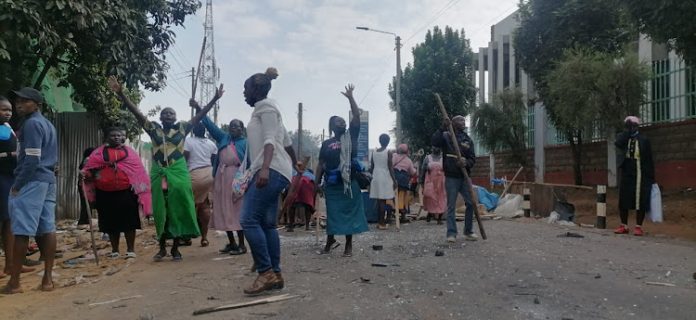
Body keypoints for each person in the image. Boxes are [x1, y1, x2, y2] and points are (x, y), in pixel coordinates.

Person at [108, 76, 223, 261]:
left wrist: (214, 99)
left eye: (171, 114)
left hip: (178, 174)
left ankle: (176, 248)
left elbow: (200, 116)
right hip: (159, 173)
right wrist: (121, 94)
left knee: (177, 209)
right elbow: (136, 113)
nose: (168, 116)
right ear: (160, 118)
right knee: (161, 212)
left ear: (176, 117)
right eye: (165, 114)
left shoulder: (183, 128)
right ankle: (162, 248)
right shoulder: (153, 129)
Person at [240, 67, 298, 295]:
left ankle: (265, 273)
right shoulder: (267, 110)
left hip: (270, 169)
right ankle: (276, 273)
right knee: (267, 224)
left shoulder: (266, 107)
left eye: (246, 89)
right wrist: (296, 167)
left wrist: (264, 169)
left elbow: (270, 142)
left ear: (256, 90)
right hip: (275, 169)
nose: (244, 93)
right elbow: (287, 141)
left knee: (248, 219)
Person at [2, 88, 58, 294]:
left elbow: (32, 158)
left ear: (37, 104)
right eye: (18, 101)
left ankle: (14, 282)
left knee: (21, 230)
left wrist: (17, 185)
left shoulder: (32, 124)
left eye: (25, 101)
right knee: (47, 228)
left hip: (32, 180)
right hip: (48, 180)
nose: (19, 104)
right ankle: (47, 280)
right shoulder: (47, 124)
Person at [81, 127, 152, 259]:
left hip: (126, 192)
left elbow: (138, 172)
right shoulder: (98, 154)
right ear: (107, 137)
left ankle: (130, 249)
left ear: (123, 137)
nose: (116, 137)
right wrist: (86, 174)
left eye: (119, 135)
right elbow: (89, 169)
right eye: (113, 135)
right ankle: (115, 250)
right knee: (110, 223)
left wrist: (137, 187)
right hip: (105, 193)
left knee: (129, 222)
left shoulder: (130, 153)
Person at [316, 84, 369, 257]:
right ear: (332, 126)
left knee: (349, 214)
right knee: (332, 213)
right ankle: (330, 240)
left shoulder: (351, 136)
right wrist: (316, 183)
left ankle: (348, 245)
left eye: (343, 121)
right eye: (339, 122)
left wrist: (350, 97)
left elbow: (355, 115)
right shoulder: (326, 144)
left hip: (349, 182)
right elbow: (320, 164)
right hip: (332, 184)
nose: (343, 123)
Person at [190, 99, 248, 255]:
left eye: (237, 126)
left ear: (242, 129)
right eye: (231, 127)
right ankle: (232, 243)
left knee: (237, 211)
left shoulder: (246, 144)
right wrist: (198, 108)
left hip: (237, 179)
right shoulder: (224, 138)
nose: (234, 129)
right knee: (223, 210)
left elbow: (250, 163)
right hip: (222, 178)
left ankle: (242, 245)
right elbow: (209, 124)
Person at [431, 115, 477, 243]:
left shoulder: (467, 140)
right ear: (453, 122)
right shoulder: (446, 136)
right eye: (460, 120)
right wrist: (442, 127)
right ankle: (451, 233)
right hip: (451, 176)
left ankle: (468, 231)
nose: (463, 122)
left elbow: (473, 158)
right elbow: (435, 142)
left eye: (463, 120)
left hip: (465, 177)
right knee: (451, 206)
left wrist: (466, 162)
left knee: (471, 203)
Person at [614, 116, 655, 236]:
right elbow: (618, 143)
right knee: (624, 198)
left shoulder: (644, 140)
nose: (632, 128)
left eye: (634, 126)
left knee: (640, 199)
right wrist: (627, 132)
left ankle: (638, 227)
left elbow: (649, 159)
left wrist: (651, 178)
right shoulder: (623, 138)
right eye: (630, 126)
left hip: (640, 172)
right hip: (627, 171)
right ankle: (624, 225)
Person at [184, 124, 217, 247]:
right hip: (209, 174)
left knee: (189, 205)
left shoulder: (188, 141)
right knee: (205, 206)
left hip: (194, 174)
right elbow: (214, 160)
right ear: (205, 131)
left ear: (193, 131)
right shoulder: (211, 144)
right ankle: (204, 237)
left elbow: (184, 159)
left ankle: (187, 236)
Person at [369, 134, 396, 230]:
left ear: (380, 141)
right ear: (388, 142)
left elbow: (371, 167)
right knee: (383, 201)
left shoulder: (374, 152)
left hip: (375, 177)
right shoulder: (388, 152)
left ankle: (379, 222)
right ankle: (382, 223)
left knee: (379, 200)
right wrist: (394, 180)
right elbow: (390, 167)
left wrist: (370, 178)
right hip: (385, 177)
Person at [282, 161, 316, 232]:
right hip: (307, 184)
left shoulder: (292, 171)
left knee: (291, 205)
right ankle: (307, 226)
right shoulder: (310, 174)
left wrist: (285, 196)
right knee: (308, 205)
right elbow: (315, 187)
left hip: (296, 183)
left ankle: (291, 227)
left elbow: (287, 185)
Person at [419, 147, 446, 224]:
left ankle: (439, 219)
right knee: (430, 199)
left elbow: (447, 169)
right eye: (434, 146)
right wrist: (421, 181)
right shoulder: (427, 158)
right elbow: (423, 170)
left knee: (441, 200)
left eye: (438, 146)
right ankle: (430, 213)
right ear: (432, 148)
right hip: (430, 183)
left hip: (441, 184)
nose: (436, 148)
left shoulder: (443, 158)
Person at [392, 143, 417, 223]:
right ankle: (403, 216)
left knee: (392, 197)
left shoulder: (394, 156)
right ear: (406, 151)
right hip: (404, 181)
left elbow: (390, 165)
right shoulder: (408, 160)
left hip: (394, 179)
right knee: (403, 197)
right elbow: (413, 172)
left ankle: (391, 212)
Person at [77, 147, 96, 226]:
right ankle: (84, 221)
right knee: (87, 203)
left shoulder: (86, 159)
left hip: (84, 184)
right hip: (86, 185)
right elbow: (87, 172)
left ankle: (85, 220)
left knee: (85, 203)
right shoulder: (88, 159)